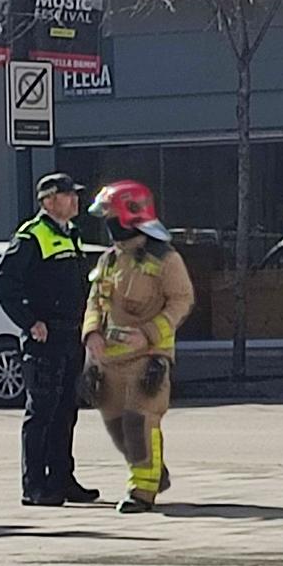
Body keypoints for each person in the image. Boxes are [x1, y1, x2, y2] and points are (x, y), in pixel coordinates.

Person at [81, 181, 194, 514]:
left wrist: (148, 335)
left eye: (112, 217)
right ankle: (153, 472)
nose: (108, 225)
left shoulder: (165, 260)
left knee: (139, 423)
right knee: (117, 428)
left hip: (148, 357)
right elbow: (94, 301)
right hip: (110, 360)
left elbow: (181, 301)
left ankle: (142, 492)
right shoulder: (109, 260)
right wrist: (91, 334)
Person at [0, 174, 101, 507]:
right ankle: (35, 486)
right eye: (69, 195)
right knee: (41, 411)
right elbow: (3, 282)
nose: (75, 201)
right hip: (46, 337)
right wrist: (30, 321)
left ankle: (62, 479)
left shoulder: (71, 235)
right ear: (49, 200)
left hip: (70, 334)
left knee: (66, 410)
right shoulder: (32, 235)